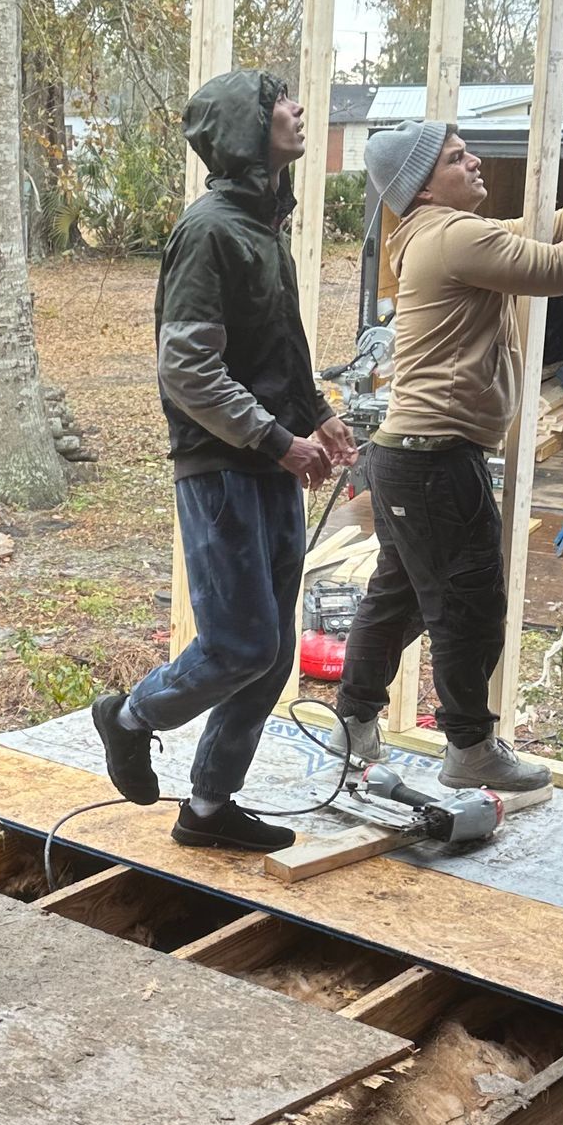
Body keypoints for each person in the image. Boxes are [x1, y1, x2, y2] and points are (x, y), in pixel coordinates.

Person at [90, 71, 358, 852]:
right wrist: (279, 439)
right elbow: (189, 372)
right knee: (240, 643)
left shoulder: (263, 225)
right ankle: (130, 716)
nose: (299, 109)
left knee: (269, 655)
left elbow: (279, 351)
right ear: (247, 126)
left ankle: (207, 810)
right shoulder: (209, 231)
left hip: (271, 463)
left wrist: (319, 419)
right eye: (282, 99)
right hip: (221, 468)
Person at [324, 122, 563, 793]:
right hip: (435, 459)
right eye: (458, 158)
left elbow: (538, 227)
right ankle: (469, 746)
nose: (476, 161)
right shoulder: (455, 236)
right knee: (469, 603)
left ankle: (353, 718)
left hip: (411, 456)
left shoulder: (436, 234)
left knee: (399, 594)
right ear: (425, 185)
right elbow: (556, 268)